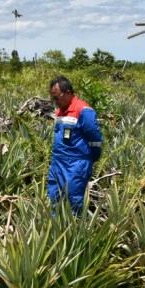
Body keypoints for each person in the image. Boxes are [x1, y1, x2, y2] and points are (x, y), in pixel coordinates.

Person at [47, 76, 103, 214]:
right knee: (54, 199)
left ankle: (77, 227)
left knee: (74, 202)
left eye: (57, 97)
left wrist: (90, 158)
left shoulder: (83, 110)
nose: (55, 102)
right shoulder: (60, 111)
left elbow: (95, 138)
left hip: (76, 164)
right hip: (57, 163)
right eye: (53, 98)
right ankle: (55, 227)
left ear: (67, 93)